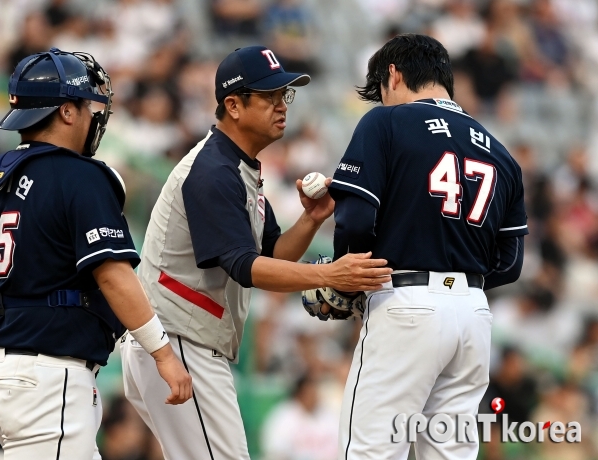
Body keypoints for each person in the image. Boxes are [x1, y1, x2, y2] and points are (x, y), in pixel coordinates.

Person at [121, 45, 393, 460]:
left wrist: (311, 220)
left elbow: (272, 254)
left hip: (182, 341)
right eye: (268, 96)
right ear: (232, 104)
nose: (282, 105)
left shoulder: (239, 167)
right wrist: (329, 274)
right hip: (178, 341)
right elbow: (245, 267)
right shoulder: (212, 171)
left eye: (285, 95)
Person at [0, 48, 192, 459]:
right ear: (67, 112)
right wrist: (163, 355)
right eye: (88, 106)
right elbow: (112, 275)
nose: (95, 116)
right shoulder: (80, 176)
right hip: (46, 377)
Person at [317, 34, 528, 459]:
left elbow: (355, 219)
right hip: (473, 315)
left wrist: (347, 278)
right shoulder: (501, 152)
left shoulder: (386, 122)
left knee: (370, 452)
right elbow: (511, 263)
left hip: (406, 304)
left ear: (393, 75)